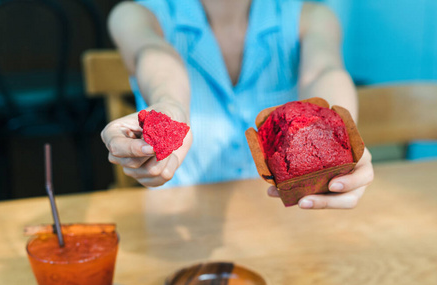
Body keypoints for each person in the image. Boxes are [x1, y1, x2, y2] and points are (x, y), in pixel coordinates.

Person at [101, 0, 374, 209]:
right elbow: (156, 55)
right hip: (177, 221)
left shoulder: (312, 17)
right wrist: (170, 106)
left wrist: (339, 142)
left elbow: (323, 71)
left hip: (283, 220)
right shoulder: (135, 15)